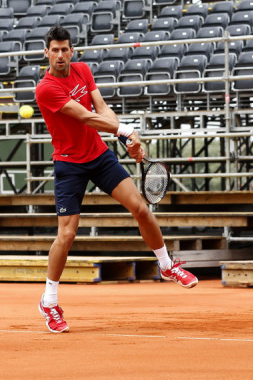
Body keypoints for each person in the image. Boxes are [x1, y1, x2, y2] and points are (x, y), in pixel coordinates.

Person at [34, 25, 197, 333]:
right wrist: (125, 132)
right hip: (68, 164)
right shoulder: (45, 88)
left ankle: (166, 265)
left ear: (71, 51)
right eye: (54, 49)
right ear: (47, 53)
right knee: (66, 235)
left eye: (64, 49)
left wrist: (125, 139)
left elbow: (101, 109)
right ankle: (49, 301)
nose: (59, 54)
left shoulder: (82, 70)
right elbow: (83, 116)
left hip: (99, 156)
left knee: (141, 208)